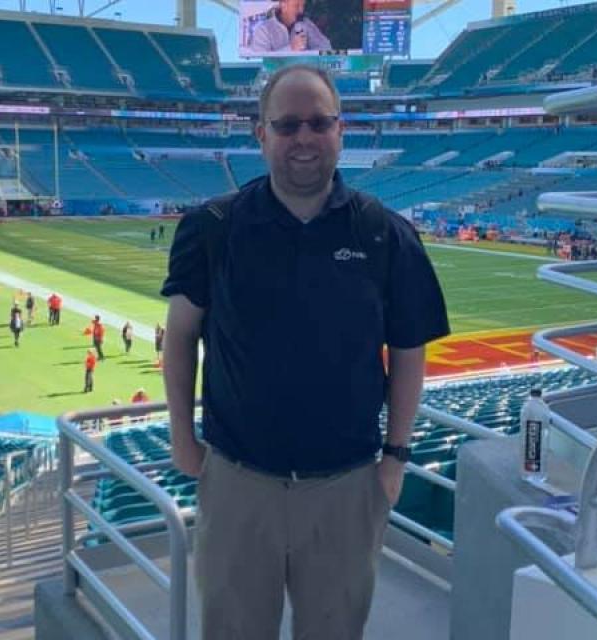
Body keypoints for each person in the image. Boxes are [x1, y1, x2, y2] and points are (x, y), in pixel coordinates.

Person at [161, 65, 449, 639]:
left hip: (345, 486)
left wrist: (395, 457)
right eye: (287, 124)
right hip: (239, 482)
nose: (304, 138)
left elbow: (409, 350)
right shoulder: (214, 227)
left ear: (341, 131)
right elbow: (180, 336)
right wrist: (181, 437)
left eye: (319, 122)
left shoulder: (384, 234)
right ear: (261, 135)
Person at [249, 0, 331, 54]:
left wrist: (308, 54)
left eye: (303, 6)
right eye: (297, 6)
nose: (301, 11)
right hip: (277, 78)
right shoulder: (264, 30)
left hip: (304, 76)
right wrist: (291, 49)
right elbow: (260, 60)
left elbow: (326, 47)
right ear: (283, 6)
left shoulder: (306, 24)